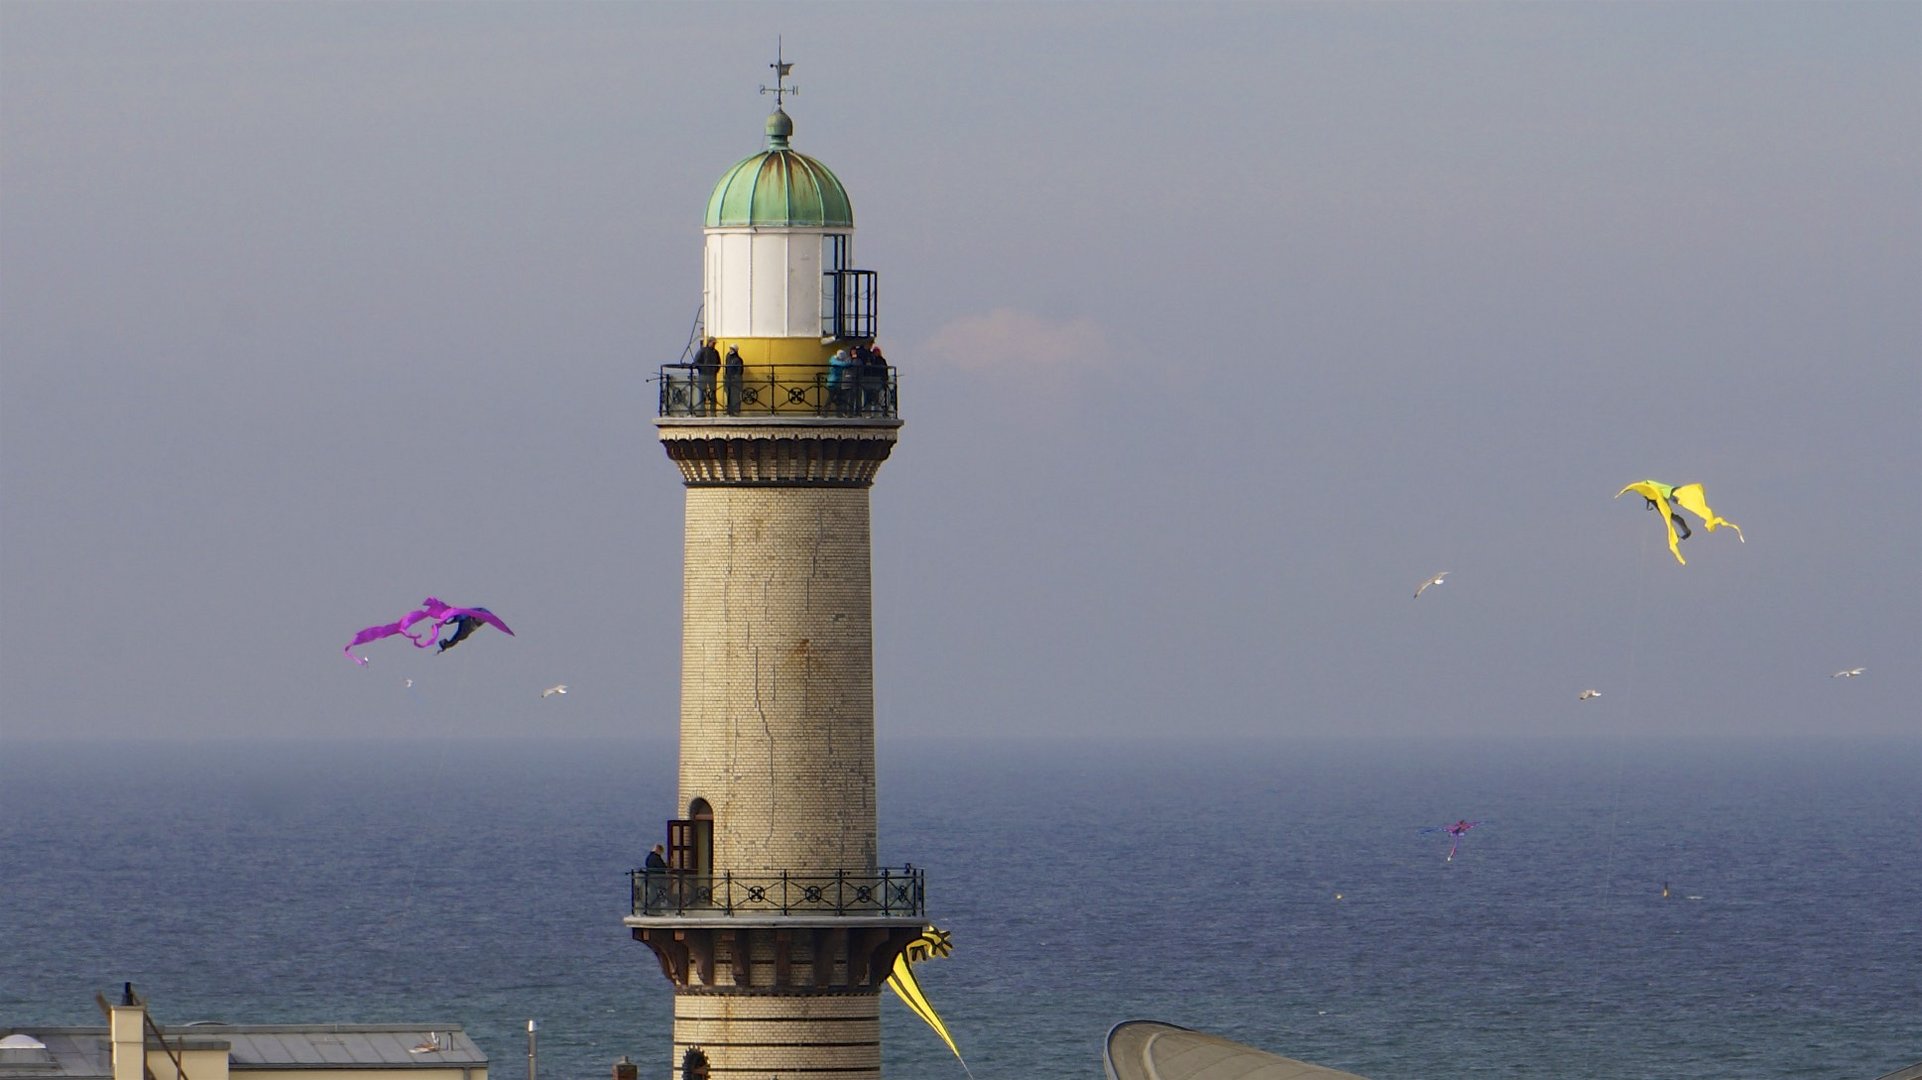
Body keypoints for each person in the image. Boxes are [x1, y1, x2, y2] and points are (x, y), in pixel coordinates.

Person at [693, 338, 720, 415]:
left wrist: (715, 370)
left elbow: (718, 363)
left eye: (715, 343)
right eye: (713, 343)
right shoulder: (702, 351)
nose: (714, 344)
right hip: (703, 375)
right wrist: (703, 368)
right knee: (702, 392)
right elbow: (696, 362)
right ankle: (702, 411)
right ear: (709, 342)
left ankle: (712, 411)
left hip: (712, 375)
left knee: (713, 393)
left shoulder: (715, 352)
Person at [827, 348, 853, 415]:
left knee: (838, 398)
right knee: (831, 398)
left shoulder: (834, 360)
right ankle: (825, 412)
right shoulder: (833, 360)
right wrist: (846, 362)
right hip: (833, 382)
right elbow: (843, 364)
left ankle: (838, 413)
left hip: (837, 382)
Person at [723, 345, 744, 416]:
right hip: (728, 379)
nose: (730, 350)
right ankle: (729, 410)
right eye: (730, 349)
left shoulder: (738, 360)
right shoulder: (728, 357)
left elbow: (739, 371)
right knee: (729, 395)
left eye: (732, 349)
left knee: (735, 396)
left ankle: (735, 411)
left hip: (734, 380)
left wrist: (735, 378)